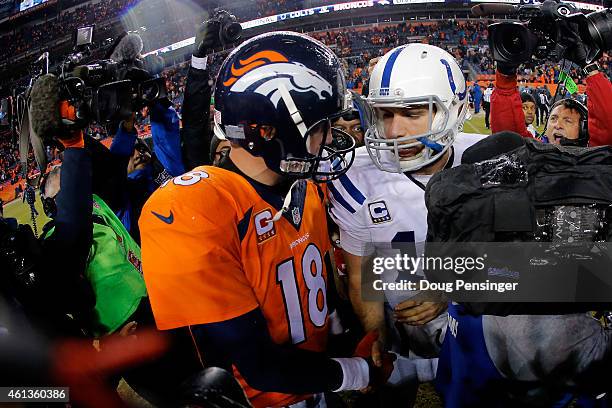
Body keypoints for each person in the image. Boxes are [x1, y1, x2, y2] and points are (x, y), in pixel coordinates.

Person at [139, 32, 396, 408]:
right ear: (275, 129)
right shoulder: (194, 207)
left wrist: (345, 344)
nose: (331, 136)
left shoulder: (305, 189)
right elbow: (256, 365)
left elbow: (320, 293)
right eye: (321, 125)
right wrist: (356, 373)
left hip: (321, 383)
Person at [327, 43, 484, 405]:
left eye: (413, 112)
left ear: (455, 111)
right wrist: (375, 337)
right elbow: (361, 275)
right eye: (384, 114)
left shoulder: (488, 161)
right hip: (402, 334)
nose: (395, 131)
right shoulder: (355, 176)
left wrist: (452, 291)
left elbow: (521, 265)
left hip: (475, 329)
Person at [490, 40, 612, 147]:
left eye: (567, 120)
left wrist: (589, 67)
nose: (557, 125)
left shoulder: (594, 157)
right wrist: (505, 70)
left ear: (584, 130)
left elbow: (607, 116)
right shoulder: (532, 153)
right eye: (553, 118)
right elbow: (508, 134)